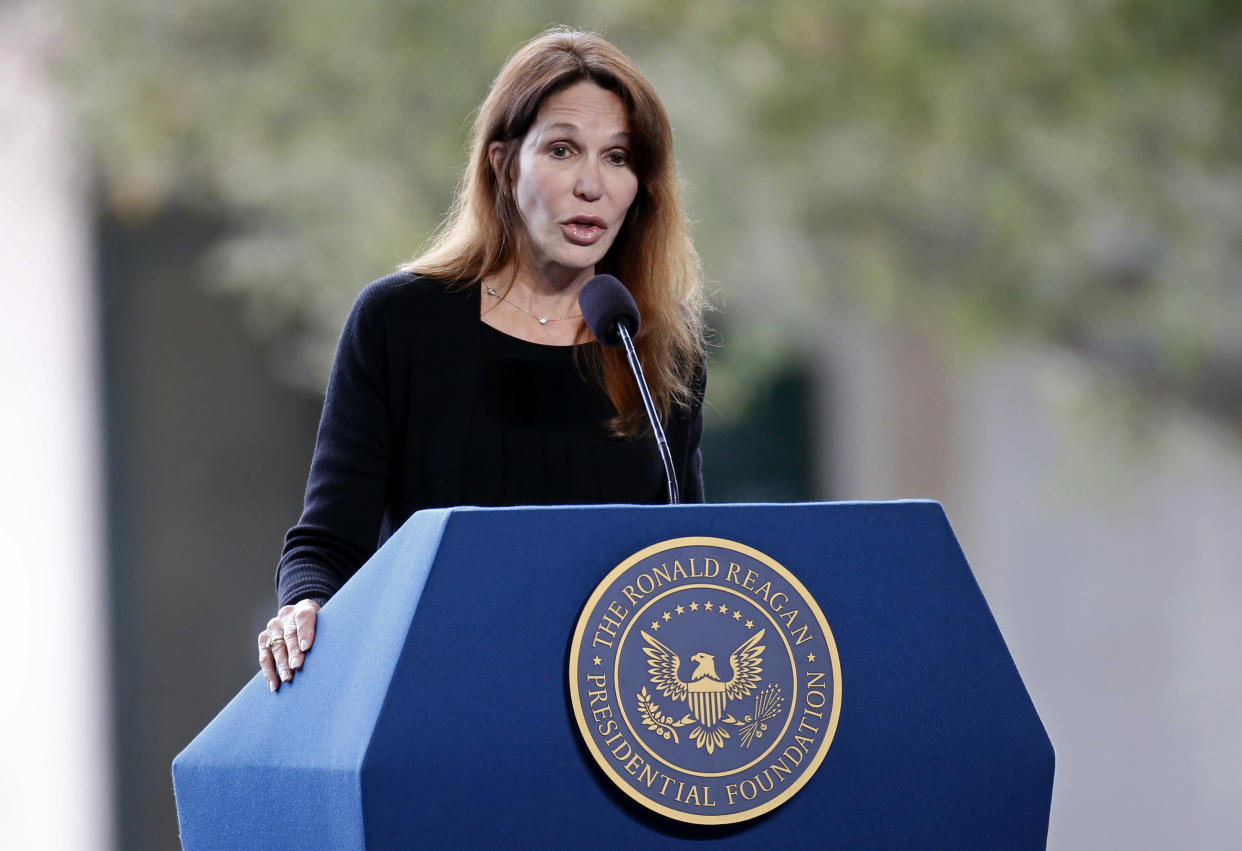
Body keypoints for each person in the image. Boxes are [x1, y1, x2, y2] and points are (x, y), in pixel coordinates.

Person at [257, 27, 707, 692]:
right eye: (562, 150)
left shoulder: (652, 346)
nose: (593, 185)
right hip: (441, 691)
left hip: (619, 708)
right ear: (503, 163)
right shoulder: (402, 322)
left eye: (618, 157)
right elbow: (328, 542)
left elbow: (691, 563)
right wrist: (304, 607)